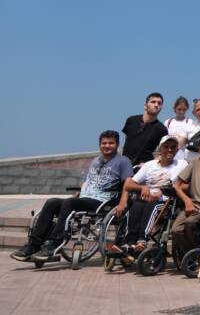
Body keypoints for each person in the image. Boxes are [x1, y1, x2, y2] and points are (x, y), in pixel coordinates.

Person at [13, 130, 134, 261]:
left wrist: (123, 202)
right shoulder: (96, 161)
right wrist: (81, 191)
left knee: (69, 203)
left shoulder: (123, 161)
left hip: (102, 201)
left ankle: (54, 243)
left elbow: (128, 183)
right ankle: (33, 245)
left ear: (117, 145)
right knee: (52, 202)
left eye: (111, 143)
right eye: (104, 143)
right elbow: (90, 180)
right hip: (84, 198)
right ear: (99, 145)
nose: (107, 146)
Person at [114, 136, 187, 257]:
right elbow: (128, 184)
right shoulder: (149, 165)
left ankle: (142, 239)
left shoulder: (182, 164)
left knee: (151, 204)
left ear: (177, 149)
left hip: (166, 201)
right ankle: (130, 242)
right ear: (160, 149)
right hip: (147, 198)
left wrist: (164, 191)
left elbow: (187, 185)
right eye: (166, 147)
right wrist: (142, 188)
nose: (169, 150)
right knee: (136, 205)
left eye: (173, 147)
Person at [122, 92, 168, 165]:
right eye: (153, 102)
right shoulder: (131, 120)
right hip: (125, 165)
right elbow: (126, 142)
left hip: (144, 169)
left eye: (159, 103)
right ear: (145, 105)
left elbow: (164, 153)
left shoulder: (162, 129)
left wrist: (149, 165)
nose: (156, 105)